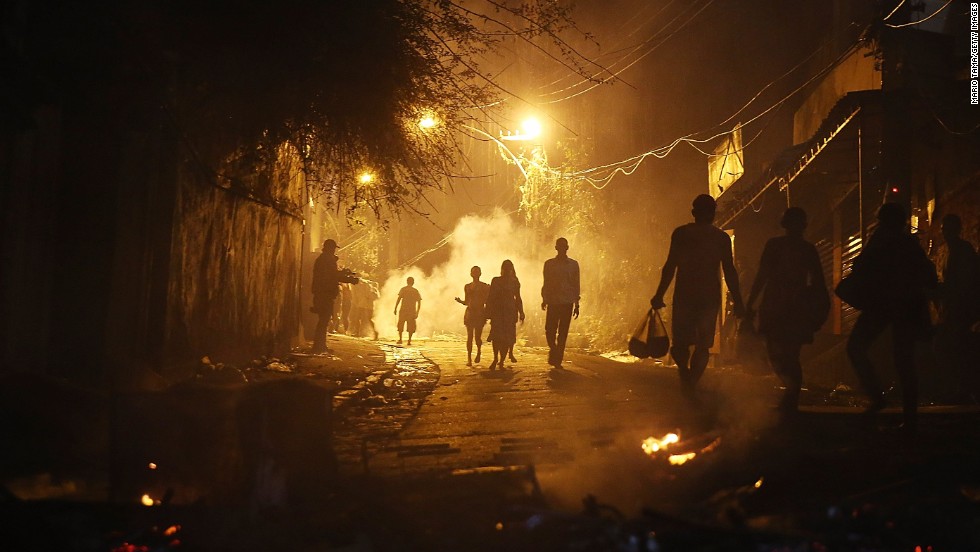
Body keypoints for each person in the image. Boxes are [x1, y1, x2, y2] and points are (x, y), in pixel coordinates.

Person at [845, 202, 937, 434]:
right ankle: (909, 419)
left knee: (857, 347)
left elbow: (860, 268)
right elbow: (929, 275)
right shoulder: (908, 244)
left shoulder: (883, 242)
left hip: (885, 307)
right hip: (902, 308)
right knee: (903, 362)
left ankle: (880, 400)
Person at [651, 194, 745, 396]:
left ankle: (686, 374)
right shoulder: (721, 238)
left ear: (694, 213)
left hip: (685, 296)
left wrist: (659, 295)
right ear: (713, 214)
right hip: (708, 299)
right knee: (703, 346)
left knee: (680, 344)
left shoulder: (681, 234)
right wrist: (738, 301)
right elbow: (729, 271)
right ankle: (691, 381)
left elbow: (670, 266)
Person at [746, 207, 827, 414]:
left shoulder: (778, 246)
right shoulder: (804, 249)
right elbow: (818, 282)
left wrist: (750, 303)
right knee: (787, 355)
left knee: (781, 354)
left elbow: (762, 277)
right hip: (791, 309)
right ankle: (791, 395)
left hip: (781, 307)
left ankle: (791, 397)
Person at [311, 239, 358, 353]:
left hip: (322, 293)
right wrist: (350, 279)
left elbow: (332, 275)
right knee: (324, 320)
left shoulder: (324, 259)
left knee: (324, 320)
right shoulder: (327, 259)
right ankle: (319, 347)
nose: (334, 251)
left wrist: (343, 274)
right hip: (325, 294)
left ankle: (320, 346)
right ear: (329, 248)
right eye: (333, 248)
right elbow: (333, 276)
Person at [542, 237, 581, 369]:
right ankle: (554, 349)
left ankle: (557, 358)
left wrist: (576, 303)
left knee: (563, 332)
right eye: (560, 246)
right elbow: (546, 282)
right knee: (549, 330)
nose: (562, 249)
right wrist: (544, 298)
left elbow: (576, 284)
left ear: (567, 248)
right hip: (553, 301)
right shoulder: (549, 264)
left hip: (566, 302)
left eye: (564, 246)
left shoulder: (573, 265)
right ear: (556, 248)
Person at [486, 259, 525, 370]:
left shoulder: (514, 282)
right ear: (502, 269)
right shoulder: (496, 281)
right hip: (499, 312)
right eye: (506, 268)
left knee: (506, 338)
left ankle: (501, 360)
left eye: (509, 269)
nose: (507, 271)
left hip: (509, 312)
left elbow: (518, 298)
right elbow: (490, 297)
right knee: (497, 337)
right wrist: (488, 311)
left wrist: (521, 312)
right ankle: (496, 359)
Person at [455, 266, 491, 366]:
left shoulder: (485, 286)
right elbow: (467, 301)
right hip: (470, 313)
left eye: (476, 272)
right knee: (470, 336)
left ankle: (479, 351)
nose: (475, 274)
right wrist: (460, 301)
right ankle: (469, 359)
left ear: (480, 274)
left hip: (479, 313)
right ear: (471, 274)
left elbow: (487, 300)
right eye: (473, 272)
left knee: (477, 337)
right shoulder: (467, 286)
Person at [394, 277, 422, 345]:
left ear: (407, 282)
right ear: (413, 282)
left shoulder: (403, 289)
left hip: (403, 310)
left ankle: (400, 339)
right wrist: (417, 312)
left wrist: (395, 308)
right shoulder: (415, 291)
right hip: (412, 310)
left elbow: (399, 299)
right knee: (411, 326)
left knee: (401, 324)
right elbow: (419, 302)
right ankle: (409, 341)